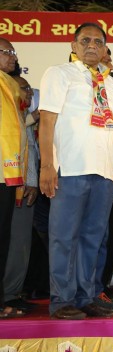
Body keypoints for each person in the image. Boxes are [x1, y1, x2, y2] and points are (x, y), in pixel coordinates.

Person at [39, 23, 113, 319]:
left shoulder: (112, 84)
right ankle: (62, 299)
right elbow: (47, 122)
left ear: (105, 48)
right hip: (70, 169)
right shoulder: (59, 74)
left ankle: (87, 295)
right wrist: (48, 165)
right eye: (85, 40)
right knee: (64, 236)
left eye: (98, 41)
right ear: (73, 45)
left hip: (104, 173)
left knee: (95, 237)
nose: (92, 45)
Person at [3, 75, 38, 314]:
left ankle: (11, 293)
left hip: (25, 187)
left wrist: (33, 182)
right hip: (8, 182)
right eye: (21, 88)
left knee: (20, 243)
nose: (26, 93)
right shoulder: (11, 121)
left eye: (27, 89)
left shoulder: (26, 122)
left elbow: (31, 155)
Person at [0, 38, 27, 319]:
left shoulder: (9, 84)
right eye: (6, 52)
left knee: (3, 240)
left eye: (12, 52)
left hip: (7, 173)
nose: (12, 57)